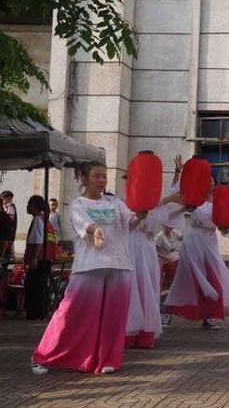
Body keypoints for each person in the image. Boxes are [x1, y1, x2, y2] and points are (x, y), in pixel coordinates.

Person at [32, 161, 147, 375]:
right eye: (97, 176)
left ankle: (106, 359)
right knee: (71, 312)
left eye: (104, 176)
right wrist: (95, 230)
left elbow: (130, 221)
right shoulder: (78, 203)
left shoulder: (114, 202)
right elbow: (82, 222)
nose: (102, 180)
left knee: (114, 315)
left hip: (118, 265)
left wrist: (139, 215)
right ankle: (42, 355)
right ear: (84, 178)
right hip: (89, 266)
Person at [163, 178, 229, 330]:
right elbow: (175, 194)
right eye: (208, 181)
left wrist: (225, 228)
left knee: (212, 278)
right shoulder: (195, 200)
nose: (210, 183)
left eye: (213, 181)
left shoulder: (220, 202)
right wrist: (176, 174)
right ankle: (167, 314)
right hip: (193, 241)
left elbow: (225, 226)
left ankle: (208, 317)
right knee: (185, 278)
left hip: (210, 242)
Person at [124, 186, 181, 349]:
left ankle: (145, 333)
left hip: (147, 248)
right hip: (132, 245)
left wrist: (182, 206)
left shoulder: (157, 205)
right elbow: (141, 210)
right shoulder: (127, 203)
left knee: (148, 288)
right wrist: (167, 200)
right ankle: (129, 332)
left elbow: (168, 217)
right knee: (133, 287)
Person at [23, 196, 53, 320]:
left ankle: (35, 313)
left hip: (39, 259)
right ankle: (41, 312)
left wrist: (33, 258)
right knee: (41, 286)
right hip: (46, 258)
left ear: (34, 206)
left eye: (28, 204)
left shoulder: (37, 220)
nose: (27, 207)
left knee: (34, 287)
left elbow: (37, 241)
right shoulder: (45, 219)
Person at [1, 191, 18, 258]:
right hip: (7, 232)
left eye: (3, 199)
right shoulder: (6, 207)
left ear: (8, 198)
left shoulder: (10, 207)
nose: (2, 201)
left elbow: (8, 220)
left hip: (8, 232)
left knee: (6, 249)